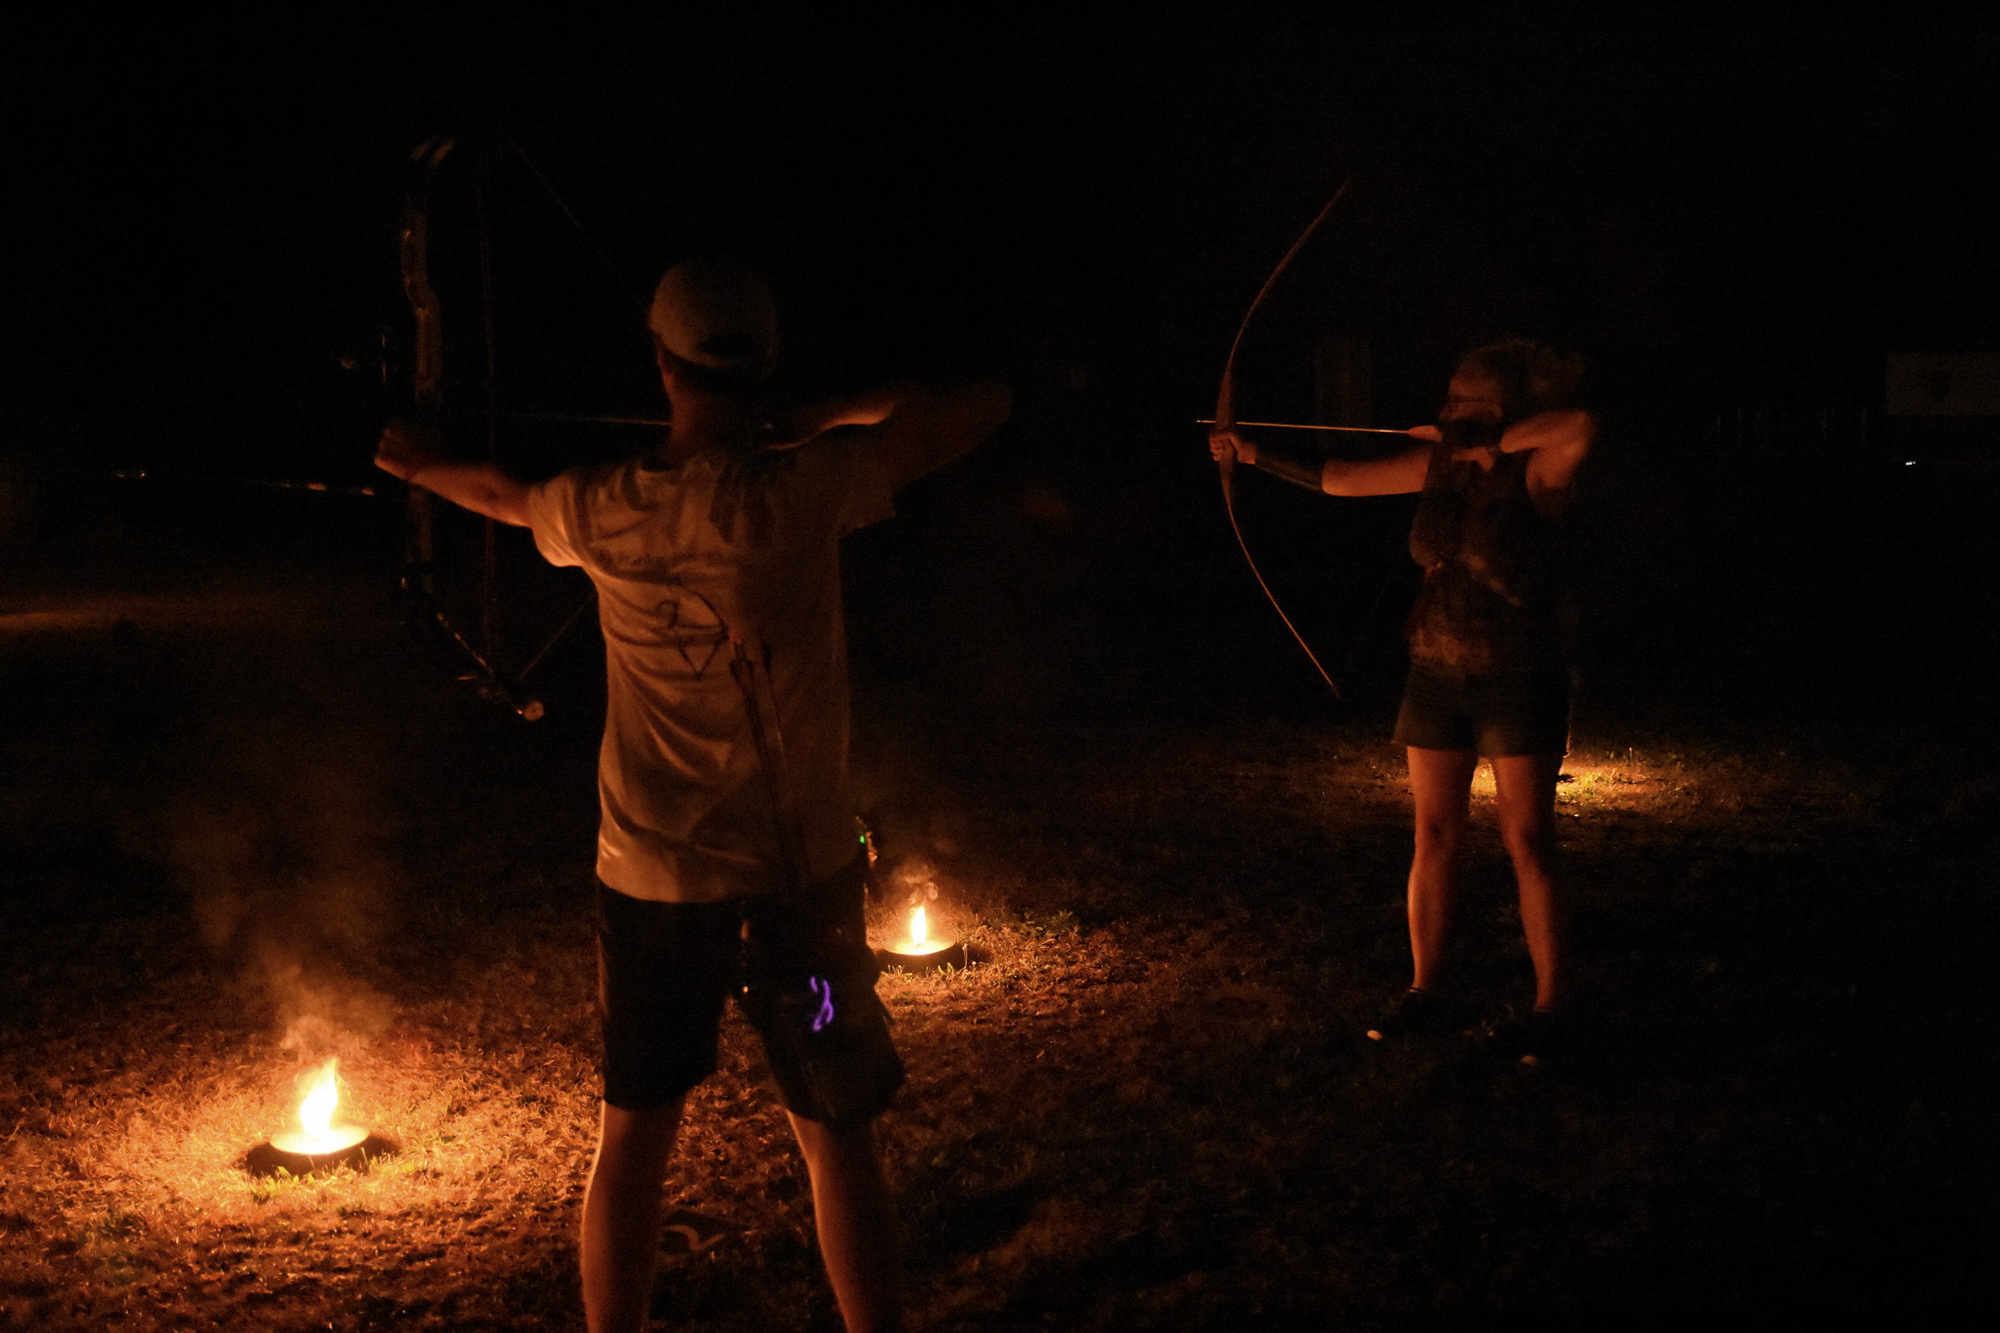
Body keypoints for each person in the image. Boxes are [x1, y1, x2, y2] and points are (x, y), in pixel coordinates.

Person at [377, 259, 1011, 1333]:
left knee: (633, 1133)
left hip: (654, 885)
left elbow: (495, 494)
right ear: (765, 364)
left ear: (662, 366)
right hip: (797, 887)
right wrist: (817, 415)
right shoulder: (805, 489)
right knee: (836, 1132)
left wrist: (412, 460)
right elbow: (977, 405)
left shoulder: (600, 507)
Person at [1210, 341, 1594, 1063]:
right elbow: (1343, 480)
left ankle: (1553, 1005)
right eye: (1449, 398)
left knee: (1527, 840)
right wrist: (1252, 455)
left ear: (1505, 408)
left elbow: (1581, 424)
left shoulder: (1540, 470)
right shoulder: (1438, 463)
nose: (1447, 410)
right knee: (1434, 834)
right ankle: (1426, 991)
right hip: (1435, 673)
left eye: (1464, 401)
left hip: (1518, 672)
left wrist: (1492, 443)